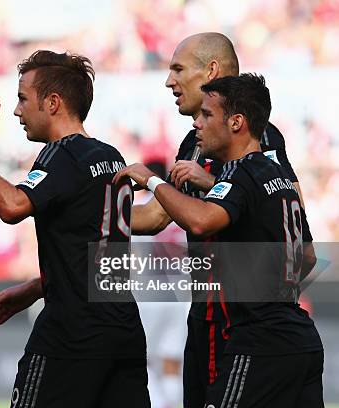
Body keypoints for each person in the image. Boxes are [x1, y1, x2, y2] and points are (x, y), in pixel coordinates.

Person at [114, 73, 323, 408]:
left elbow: (200, 222)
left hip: (258, 340)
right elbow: (308, 257)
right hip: (300, 338)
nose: (198, 123)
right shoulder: (278, 175)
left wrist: (152, 181)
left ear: (237, 122)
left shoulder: (241, 172)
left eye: (207, 115)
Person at [0, 50, 150, 407]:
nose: (18, 111)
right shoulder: (110, 156)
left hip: (73, 332)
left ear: (52, 103)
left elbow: (12, 206)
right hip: (123, 328)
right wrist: (40, 286)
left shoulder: (61, 153)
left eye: (23, 98)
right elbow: (93, 249)